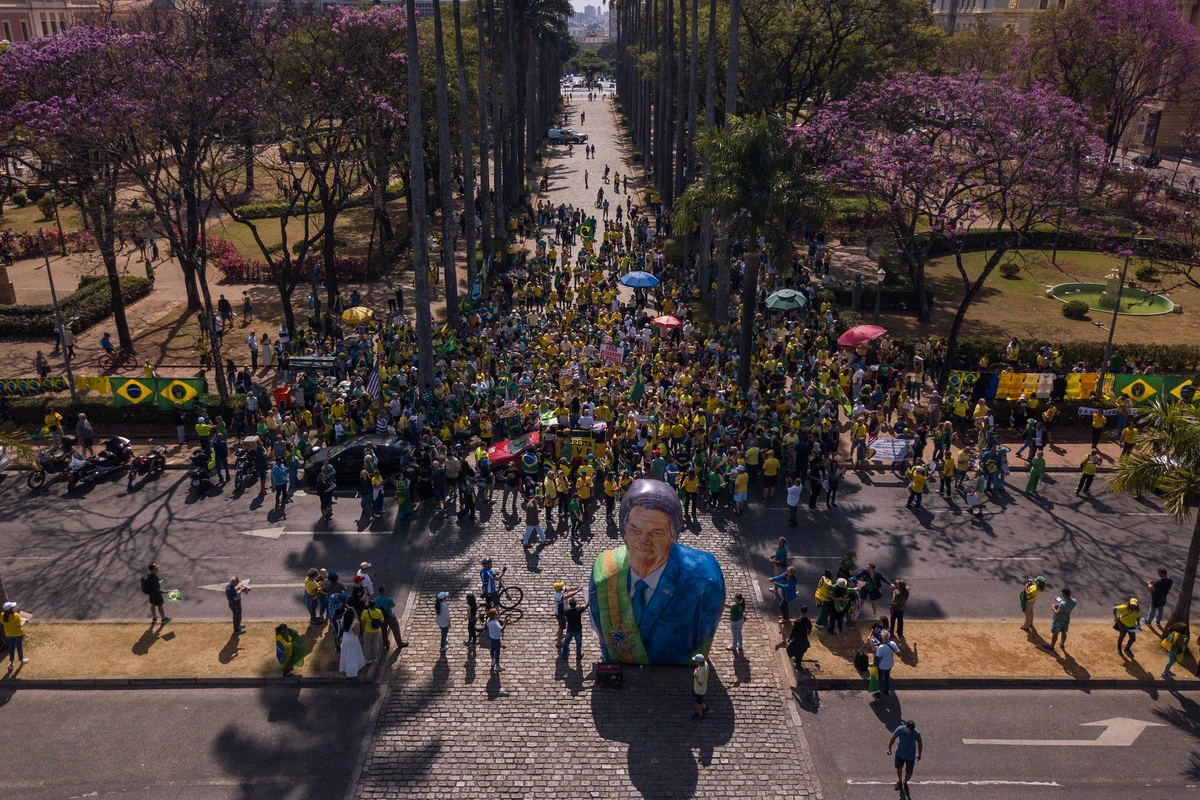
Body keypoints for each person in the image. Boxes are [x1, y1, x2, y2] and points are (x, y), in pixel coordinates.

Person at [588, 479, 726, 664]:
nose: (644, 540)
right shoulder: (603, 573)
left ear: (674, 535)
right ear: (624, 531)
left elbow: (703, 636)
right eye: (635, 530)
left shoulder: (704, 581)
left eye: (657, 533)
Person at [887, 720, 923, 797]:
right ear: (906, 727)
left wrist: (919, 754)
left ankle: (905, 782)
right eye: (909, 730)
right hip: (899, 754)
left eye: (911, 730)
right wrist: (889, 748)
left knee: (909, 773)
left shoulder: (916, 733)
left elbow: (919, 743)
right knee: (899, 768)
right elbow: (893, 738)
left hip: (910, 756)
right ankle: (900, 781)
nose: (910, 731)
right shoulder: (900, 729)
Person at [375, 585, 407, 649]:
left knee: (384, 631)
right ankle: (399, 643)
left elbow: (376, 606)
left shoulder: (376, 599)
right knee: (395, 629)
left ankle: (386, 645)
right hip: (390, 616)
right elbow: (393, 605)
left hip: (382, 617)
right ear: (384, 591)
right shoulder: (389, 599)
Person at [561, 596, 590, 661]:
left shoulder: (566, 611)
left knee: (566, 643)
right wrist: (588, 600)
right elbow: (586, 606)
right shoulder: (578, 610)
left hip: (570, 630)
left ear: (569, 605)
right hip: (578, 630)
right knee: (578, 643)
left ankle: (565, 655)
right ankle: (578, 655)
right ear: (575, 604)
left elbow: (565, 619)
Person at [2, 601, 29, 671]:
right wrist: (24, 620)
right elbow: (20, 625)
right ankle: (21, 661)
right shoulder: (16, 615)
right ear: (11, 608)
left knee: (11, 648)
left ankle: (11, 663)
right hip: (18, 634)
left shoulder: (2, 616)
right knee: (19, 648)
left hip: (9, 634)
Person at [691, 653, 710, 718]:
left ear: (698, 662)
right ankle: (704, 707)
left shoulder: (702, 672)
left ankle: (700, 713)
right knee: (697, 698)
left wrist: (695, 675)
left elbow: (700, 683)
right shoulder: (706, 664)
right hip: (699, 688)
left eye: (695, 661)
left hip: (699, 690)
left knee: (698, 703)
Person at [486, 607, 504, 672]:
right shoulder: (495, 624)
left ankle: (493, 660)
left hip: (491, 636)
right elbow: (502, 629)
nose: (497, 614)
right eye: (496, 613)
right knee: (497, 652)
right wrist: (506, 623)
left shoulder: (488, 620)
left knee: (492, 649)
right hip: (496, 638)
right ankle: (497, 665)